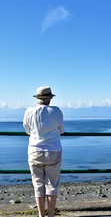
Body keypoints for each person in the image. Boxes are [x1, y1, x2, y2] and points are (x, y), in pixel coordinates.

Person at [23, 86, 64, 217]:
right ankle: (51, 214)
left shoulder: (29, 111)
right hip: (53, 150)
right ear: (50, 98)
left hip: (35, 150)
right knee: (52, 184)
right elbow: (61, 130)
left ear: (37, 98)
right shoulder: (56, 111)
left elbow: (27, 130)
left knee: (38, 184)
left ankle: (41, 215)